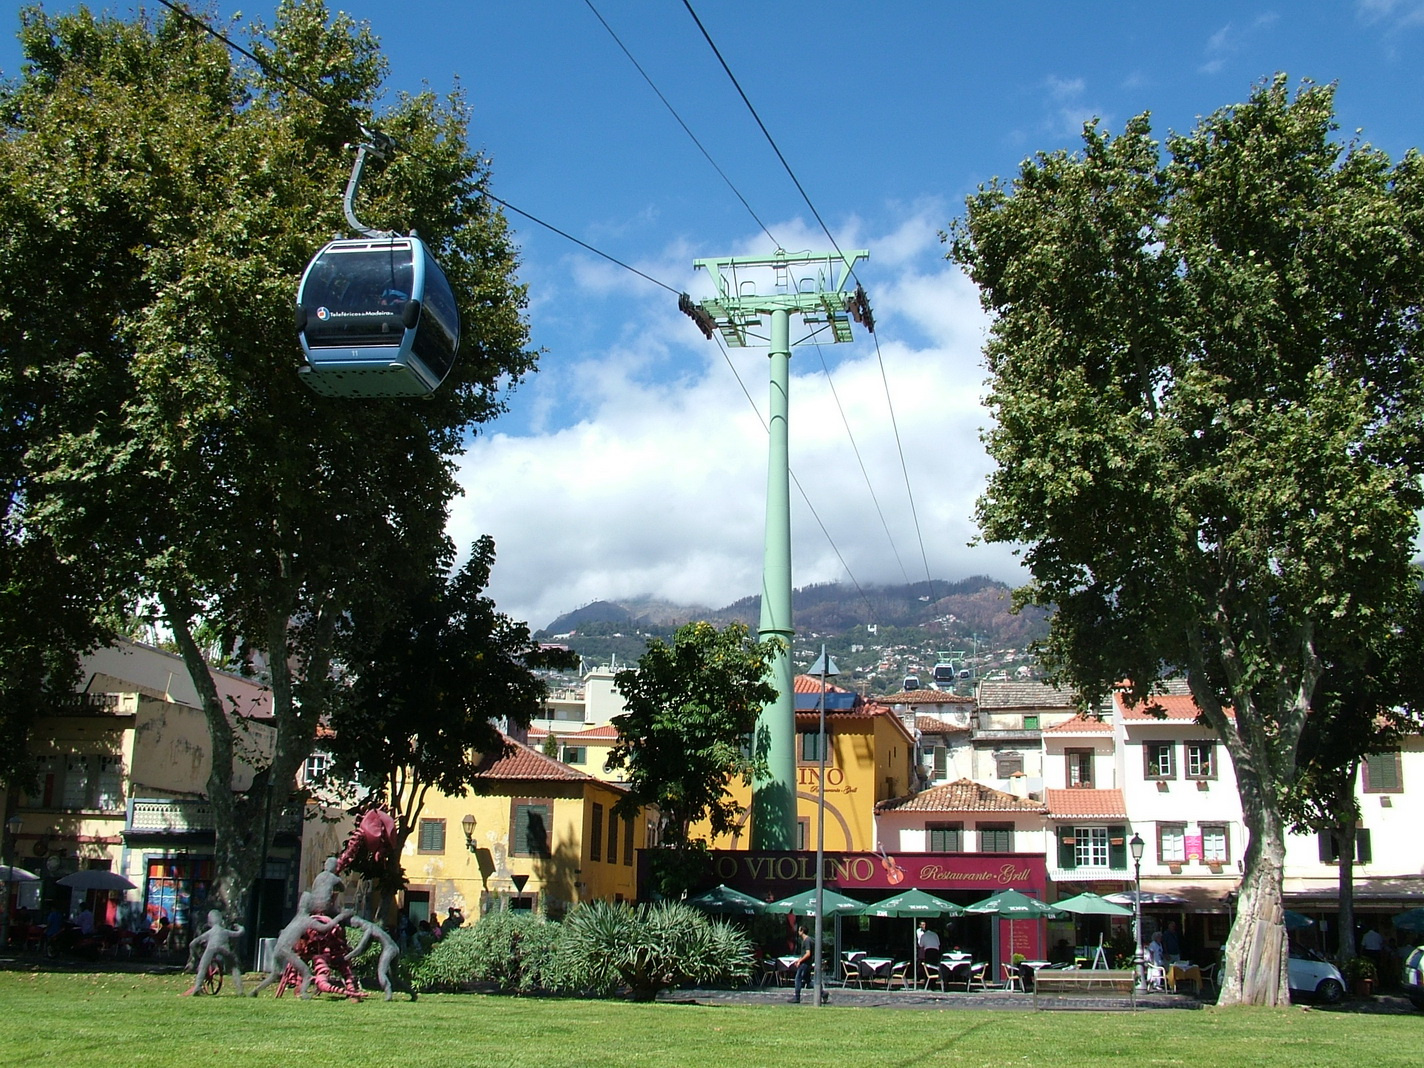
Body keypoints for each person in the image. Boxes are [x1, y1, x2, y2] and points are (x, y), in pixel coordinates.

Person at [788, 923, 813, 1003]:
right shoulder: (807, 940)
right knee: (808, 982)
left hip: (805, 964)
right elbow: (804, 954)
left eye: (799, 930)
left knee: (798, 979)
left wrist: (800, 961)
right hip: (806, 963)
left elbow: (808, 953)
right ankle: (823, 993)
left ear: (802, 931)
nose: (798, 932)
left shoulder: (807, 940)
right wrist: (799, 960)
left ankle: (797, 997)